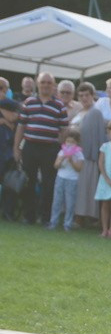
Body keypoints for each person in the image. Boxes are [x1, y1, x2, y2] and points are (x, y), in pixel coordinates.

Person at [13, 72, 68, 224]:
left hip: (50, 149)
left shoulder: (59, 105)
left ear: (53, 85)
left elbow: (64, 130)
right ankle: (29, 216)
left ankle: (45, 217)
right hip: (30, 147)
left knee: (48, 184)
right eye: (43, 82)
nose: (45, 85)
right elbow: (21, 127)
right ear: (38, 84)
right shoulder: (29, 102)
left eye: (49, 83)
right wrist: (17, 148)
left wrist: (61, 149)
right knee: (28, 182)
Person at [72, 82, 103, 224]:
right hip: (74, 154)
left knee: (85, 188)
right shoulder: (78, 112)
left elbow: (98, 136)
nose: (84, 98)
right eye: (81, 95)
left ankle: (81, 218)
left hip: (87, 155)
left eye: (87, 95)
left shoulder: (95, 112)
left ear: (92, 96)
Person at [48, 130, 84, 231]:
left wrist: (71, 160)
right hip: (60, 178)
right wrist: (62, 159)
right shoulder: (61, 152)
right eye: (68, 141)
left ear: (77, 142)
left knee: (70, 202)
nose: (69, 144)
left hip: (72, 180)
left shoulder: (79, 154)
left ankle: (67, 224)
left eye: (72, 142)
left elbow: (79, 168)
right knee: (57, 201)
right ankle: (53, 222)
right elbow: (56, 165)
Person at [0, 98, 20, 221]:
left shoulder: (17, 126)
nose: (15, 114)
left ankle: (8, 213)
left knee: (11, 187)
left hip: (11, 162)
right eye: (12, 111)